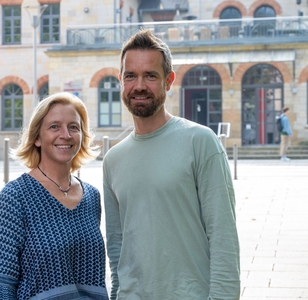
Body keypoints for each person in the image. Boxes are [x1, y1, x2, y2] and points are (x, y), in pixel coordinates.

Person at [103, 29, 240, 299]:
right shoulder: (112, 160)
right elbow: (117, 248)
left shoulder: (200, 142)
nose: (139, 85)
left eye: (150, 75)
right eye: (130, 75)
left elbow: (223, 238)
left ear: (169, 81)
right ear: (121, 80)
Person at [0, 92, 108, 299]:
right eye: (54, 126)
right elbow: (1, 285)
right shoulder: (14, 197)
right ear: (37, 137)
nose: (66, 134)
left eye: (74, 127)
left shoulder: (92, 197)